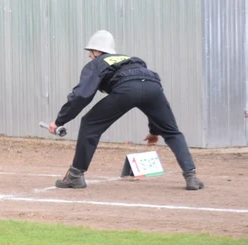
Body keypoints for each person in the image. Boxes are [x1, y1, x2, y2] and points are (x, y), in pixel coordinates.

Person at [49, 30, 203, 191]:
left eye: (90, 52)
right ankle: (191, 176)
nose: (89, 56)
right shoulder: (131, 59)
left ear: (98, 51)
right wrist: (155, 130)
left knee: (89, 123)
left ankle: (75, 176)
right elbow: (145, 94)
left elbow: (81, 95)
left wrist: (60, 121)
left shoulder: (97, 63)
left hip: (126, 89)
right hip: (153, 85)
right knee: (172, 132)